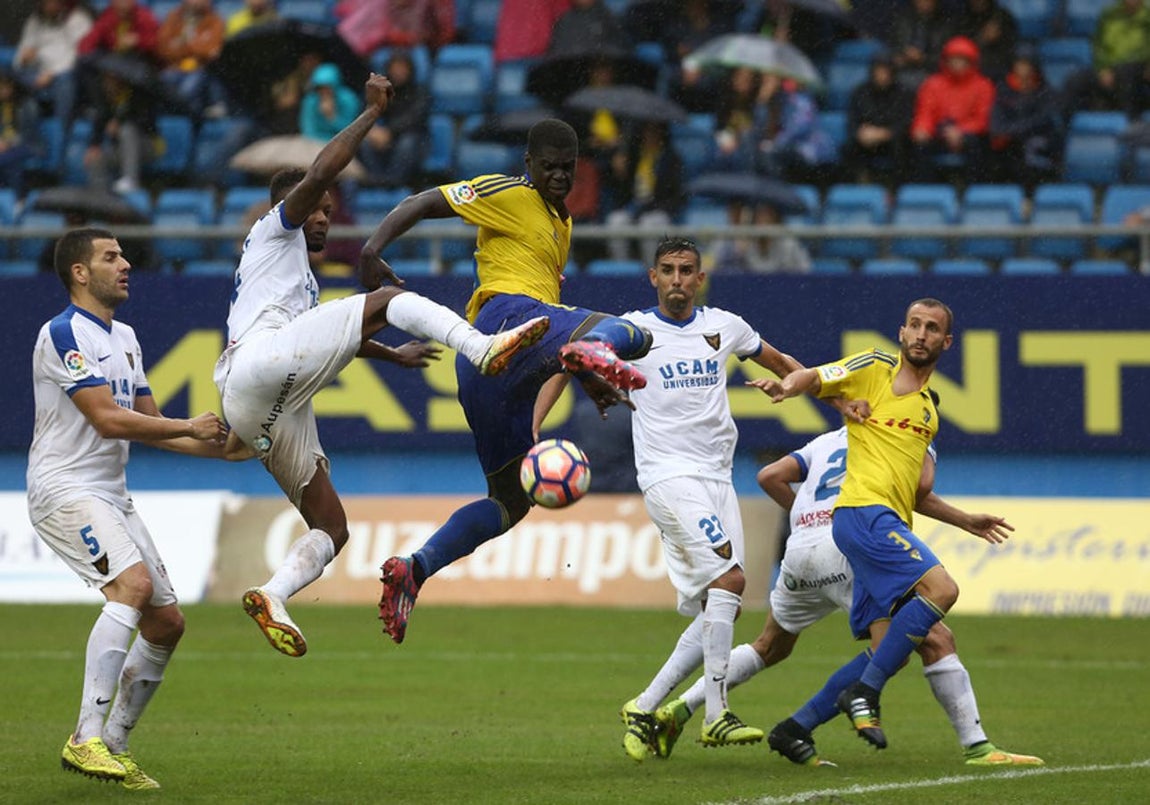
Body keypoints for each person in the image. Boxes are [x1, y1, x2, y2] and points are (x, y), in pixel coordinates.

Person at [216, 74, 552, 658]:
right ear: (290, 206)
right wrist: (372, 112)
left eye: (327, 212)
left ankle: (273, 594)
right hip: (258, 365)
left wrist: (392, 354)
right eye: (317, 209)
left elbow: (323, 339)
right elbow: (321, 171)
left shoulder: (293, 275)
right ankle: (482, 346)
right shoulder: (274, 231)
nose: (324, 217)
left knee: (332, 528)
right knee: (389, 300)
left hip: (259, 401)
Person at [365, 117, 655, 645]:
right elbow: (422, 202)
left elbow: (555, 360)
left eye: (568, 168)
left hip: (497, 369)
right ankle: (599, 351)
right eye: (549, 167)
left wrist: (537, 421)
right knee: (638, 333)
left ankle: (415, 568)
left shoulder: (561, 222)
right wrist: (371, 248)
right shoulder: (507, 190)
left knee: (509, 501)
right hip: (506, 320)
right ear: (529, 164)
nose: (560, 177)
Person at [652, 427, 1044, 768]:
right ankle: (976, 747)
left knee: (770, 646)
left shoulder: (827, 441)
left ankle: (680, 708)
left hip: (800, 550)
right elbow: (919, 489)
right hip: (849, 547)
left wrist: (805, 514)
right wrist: (962, 517)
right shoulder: (904, 434)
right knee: (924, 640)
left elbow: (770, 475)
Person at [27, 227, 249, 790]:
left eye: (123, 254)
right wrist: (190, 424)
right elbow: (107, 417)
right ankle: (85, 738)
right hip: (64, 487)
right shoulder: (62, 334)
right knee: (132, 588)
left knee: (168, 623)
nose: (125, 263)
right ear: (80, 272)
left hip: (109, 491)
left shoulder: (124, 335)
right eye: (110, 256)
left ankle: (115, 746)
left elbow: (149, 426)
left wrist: (222, 449)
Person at [607, 236, 834, 760]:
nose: (678, 280)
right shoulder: (633, 329)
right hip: (668, 476)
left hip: (716, 477)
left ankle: (645, 705)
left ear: (700, 278)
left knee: (717, 603)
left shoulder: (724, 326)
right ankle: (716, 714)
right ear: (653, 277)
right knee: (731, 580)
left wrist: (812, 389)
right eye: (668, 270)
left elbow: (779, 360)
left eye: (688, 270)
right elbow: (577, 356)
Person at [751, 298, 961, 750]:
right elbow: (816, 377)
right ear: (901, 333)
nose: (921, 334)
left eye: (931, 328)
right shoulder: (876, 365)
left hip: (880, 529)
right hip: (862, 518)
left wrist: (969, 521)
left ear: (946, 342)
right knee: (941, 593)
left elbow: (919, 493)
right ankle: (866, 694)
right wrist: (789, 386)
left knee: (899, 645)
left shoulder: (927, 413)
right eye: (914, 326)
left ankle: (797, 727)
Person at [910, 36, 995, 184]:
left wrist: (961, 131)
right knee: (920, 143)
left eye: (962, 59)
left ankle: (974, 192)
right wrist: (922, 128)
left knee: (978, 144)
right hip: (939, 134)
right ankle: (926, 193)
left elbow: (983, 119)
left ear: (971, 61)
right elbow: (925, 113)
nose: (957, 64)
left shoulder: (983, 86)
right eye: (953, 59)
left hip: (969, 137)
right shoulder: (932, 84)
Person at [13, 0, 92, 131]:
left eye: (55, 2)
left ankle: (62, 130)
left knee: (66, 81)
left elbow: (80, 55)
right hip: (37, 72)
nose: (50, 5)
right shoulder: (34, 21)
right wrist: (24, 59)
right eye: (46, 3)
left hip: (66, 72)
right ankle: (18, 134)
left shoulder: (78, 20)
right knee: (13, 74)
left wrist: (52, 73)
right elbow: (22, 52)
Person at [841, 52, 914, 187]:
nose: (882, 75)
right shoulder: (860, 92)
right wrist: (860, 133)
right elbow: (852, 120)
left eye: (885, 70)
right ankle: (857, 187)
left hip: (892, 139)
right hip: (866, 139)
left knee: (904, 147)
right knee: (849, 147)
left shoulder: (903, 92)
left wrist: (885, 134)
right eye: (878, 70)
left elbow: (906, 122)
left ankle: (896, 190)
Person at [357, 50, 428, 188]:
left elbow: (415, 118)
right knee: (365, 141)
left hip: (410, 136)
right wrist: (373, 130)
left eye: (402, 68)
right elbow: (367, 111)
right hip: (384, 138)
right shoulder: (382, 91)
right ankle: (376, 181)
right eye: (395, 68)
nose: (398, 72)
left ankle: (395, 182)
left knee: (407, 143)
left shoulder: (419, 92)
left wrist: (390, 131)